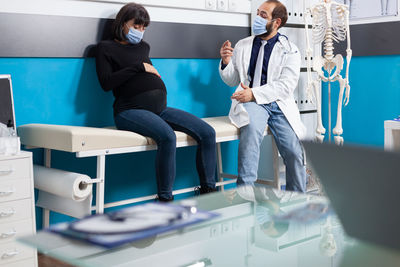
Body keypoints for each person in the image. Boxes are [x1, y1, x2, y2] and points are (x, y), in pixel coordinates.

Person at [96, 3, 217, 202]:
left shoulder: (144, 47)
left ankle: (209, 193)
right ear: (123, 23)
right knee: (168, 137)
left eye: (144, 28)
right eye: (136, 26)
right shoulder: (106, 49)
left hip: (160, 109)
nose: (140, 32)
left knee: (207, 132)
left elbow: (146, 72)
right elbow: (106, 83)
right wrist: (138, 67)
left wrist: (149, 75)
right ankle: (165, 200)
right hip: (128, 110)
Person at [219, 0, 307, 192]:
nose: (257, 18)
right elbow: (233, 79)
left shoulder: (290, 50)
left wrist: (254, 92)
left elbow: (285, 86)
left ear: (276, 23)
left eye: (263, 15)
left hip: (278, 103)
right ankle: (245, 192)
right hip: (253, 102)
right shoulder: (243, 45)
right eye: (258, 13)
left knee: (294, 150)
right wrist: (226, 62)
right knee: (250, 134)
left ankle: (299, 199)